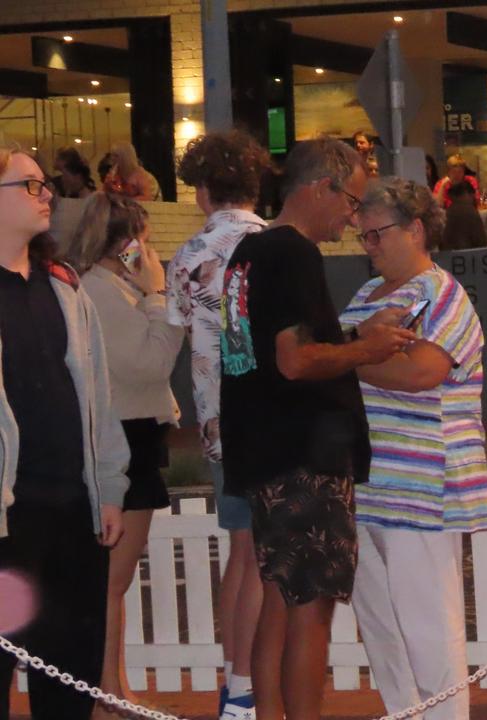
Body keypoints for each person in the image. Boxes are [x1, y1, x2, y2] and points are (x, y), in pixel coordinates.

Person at [219, 138, 417, 720]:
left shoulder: (245, 256)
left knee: (280, 603)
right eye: (351, 201)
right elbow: (296, 360)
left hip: (263, 451)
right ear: (320, 188)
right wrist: (366, 347)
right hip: (304, 454)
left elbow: (258, 356)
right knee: (310, 610)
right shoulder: (293, 253)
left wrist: (356, 339)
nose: (352, 217)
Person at [339, 178, 487, 720]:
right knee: (381, 627)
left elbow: (422, 373)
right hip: (366, 481)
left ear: (416, 229)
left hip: (424, 482)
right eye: (362, 236)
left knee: (430, 626)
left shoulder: (441, 292)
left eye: (378, 233)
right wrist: (358, 350)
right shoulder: (365, 298)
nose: (369, 245)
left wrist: (344, 357)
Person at [0, 148, 128, 720]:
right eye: (30, 185)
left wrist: (106, 486)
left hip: (73, 510)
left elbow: (98, 397)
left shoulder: (63, 288)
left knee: (71, 673)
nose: (47, 194)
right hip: (8, 516)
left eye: (45, 183)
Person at [65, 193, 184, 720]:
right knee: (111, 581)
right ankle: (107, 694)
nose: (150, 248)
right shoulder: (101, 289)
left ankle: (113, 689)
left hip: (136, 431)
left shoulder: (110, 287)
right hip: (128, 434)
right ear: (124, 242)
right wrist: (158, 295)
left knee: (115, 581)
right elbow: (151, 363)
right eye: (144, 236)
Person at [169, 130, 274, 720]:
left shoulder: (187, 254)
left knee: (240, 553)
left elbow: (181, 324)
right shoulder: (272, 246)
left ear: (204, 188)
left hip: (216, 423)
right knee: (259, 557)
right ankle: (244, 685)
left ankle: (234, 680)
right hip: (265, 420)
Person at [440, 181, 487, 251]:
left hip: (448, 257)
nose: (473, 199)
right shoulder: (470, 212)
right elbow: (481, 241)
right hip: (468, 256)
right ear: (467, 194)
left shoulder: (447, 212)